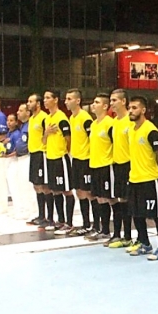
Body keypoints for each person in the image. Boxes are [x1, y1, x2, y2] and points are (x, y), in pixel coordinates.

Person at [126, 96, 158, 260]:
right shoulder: (131, 129)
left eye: (135, 108)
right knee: (137, 214)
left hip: (150, 179)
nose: (131, 110)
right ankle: (145, 244)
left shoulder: (151, 130)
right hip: (134, 178)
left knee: (157, 215)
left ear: (143, 110)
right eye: (130, 107)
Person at [58, 89, 93, 236]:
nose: (66, 102)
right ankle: (86, 224)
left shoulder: (85, 118)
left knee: (88, 193)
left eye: (69, 99)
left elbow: (93, 138)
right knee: (79, 192)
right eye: (66, 99)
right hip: (76, 159)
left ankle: (93, 224)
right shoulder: (72, 118)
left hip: (86, 160)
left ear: (77, 101)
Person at [102, 89, 134, 247]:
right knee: (119, 200)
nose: (112, 103)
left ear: (123, 101)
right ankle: (118, 235)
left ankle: (128, 236)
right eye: (111, 100)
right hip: (117, 166)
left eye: (114, 100)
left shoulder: (131, 120)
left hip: (130, 165)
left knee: (128, 201)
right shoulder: (114, 123)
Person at [42, 90, 74, 232]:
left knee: (66, 190)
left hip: (60, 158)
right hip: (50, 158)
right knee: (55, 190)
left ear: (55, 100)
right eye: (44, 98)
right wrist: (46, 133)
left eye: (48, 98)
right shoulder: (47, 119)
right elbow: (43, 140)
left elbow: (68, 138)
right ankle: (60, 220)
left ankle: (69, 222)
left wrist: (64, 151)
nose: (45, 100)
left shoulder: (61, 118)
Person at [87, 93, 115, 241]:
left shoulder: (110, 123)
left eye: (97, 102)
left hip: (106, 166)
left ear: (105, 106)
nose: (93, 104)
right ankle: (100, 229)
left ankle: (108, 230)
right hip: (94, 165)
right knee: (98, 198)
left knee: (107, 198)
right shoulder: (93, 124)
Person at [25, 93, 54, 228]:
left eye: (31, 101)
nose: (28, 104)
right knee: (36, 185)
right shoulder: (31, 119)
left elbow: (47, 135)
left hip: (42, 153)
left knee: (45, 185)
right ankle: (41, 215)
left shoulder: (44, 117)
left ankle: (49, 217)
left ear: (37, 103)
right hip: (33, 153)